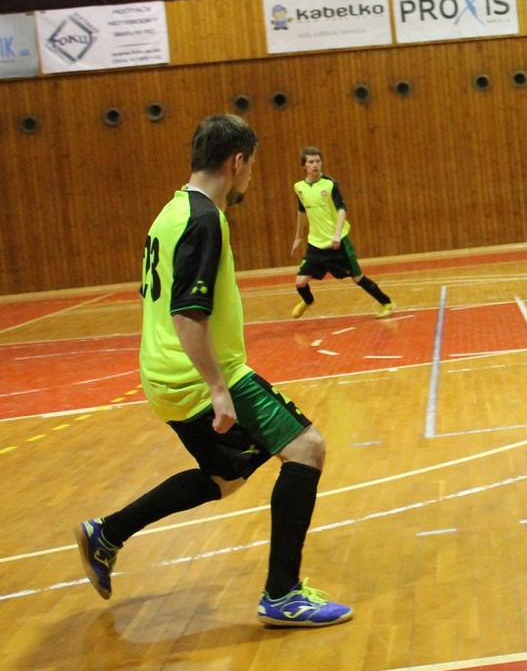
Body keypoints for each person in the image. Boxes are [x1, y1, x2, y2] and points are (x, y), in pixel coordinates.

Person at [74, 113, 352, 628]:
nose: (250, 177)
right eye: (252, 166)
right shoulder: (205, 219)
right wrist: (219, 389)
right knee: (307, 448)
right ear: (237, 162)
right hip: (197, 375)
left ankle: (107, 533)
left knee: (226, 476)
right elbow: (187, 313)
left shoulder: (170, 211)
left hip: (162, 375)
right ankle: (282, 594)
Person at [290, 146, 395, 318]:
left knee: (357, 278)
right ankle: (308, 301)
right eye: (311, 162)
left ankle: (387, 303)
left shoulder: (330, 184)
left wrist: (337, 234)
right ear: (304, 165)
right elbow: (302, 211)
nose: (315, 165)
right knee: (300, 282)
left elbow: (341, 209)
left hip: (337, 243)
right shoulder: (299, 187)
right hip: (315, 244)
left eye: (318, 161)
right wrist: (298, 237)